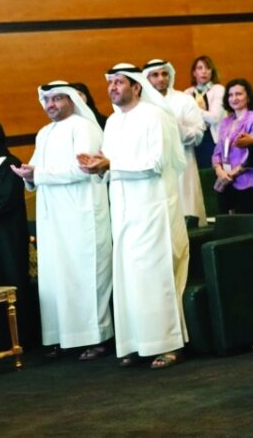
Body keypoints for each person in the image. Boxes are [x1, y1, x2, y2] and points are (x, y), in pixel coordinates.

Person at [80, 64, 189, 370]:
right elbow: (110, 167)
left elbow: (154, 164)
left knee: (156, 278)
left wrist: (109, 165)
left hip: (155, 209)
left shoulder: (156, 117)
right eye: (110, 83)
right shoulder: (113, 122)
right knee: (128, 279)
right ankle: (134, 344)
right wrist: (96, 166)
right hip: (124, 212)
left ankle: (168, 345)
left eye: (118, 82)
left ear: (137, 86)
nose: (112, 87)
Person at [10, 83, 111, 360]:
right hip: (53, 218)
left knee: (84, 276)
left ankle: (96, 338)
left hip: (82, 216)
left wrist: (38, 174)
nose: (51, 104)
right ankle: (62, 338)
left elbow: (83, 170)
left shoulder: (84, 127)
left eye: (57, 98)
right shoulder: (45, 133)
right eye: (47, 100)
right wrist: (27, 175)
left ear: (72, 100)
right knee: (56, 277)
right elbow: (37, 169)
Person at [143, 59, 208, 226]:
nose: (161, 78)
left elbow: (199, 134)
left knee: (187, 213)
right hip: (153, 169)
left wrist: (174, 126)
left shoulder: (184, 100)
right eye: (155, 75)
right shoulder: (141, 105)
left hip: (183, 166)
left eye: (164, 74)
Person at [0, 121, 29, 355]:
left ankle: (22, 338)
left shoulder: (10, 163)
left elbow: (4, 202)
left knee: (11, 280)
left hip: (7, 236)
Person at [211, 79, 253, 215]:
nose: (234, 98)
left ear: (248, 97)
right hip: (225, 180)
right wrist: (219, 170)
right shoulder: (226, 121)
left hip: (247, 181)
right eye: (230, 95)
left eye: (238, 94)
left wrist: (233, 173)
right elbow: (217, 151)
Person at [185, 55, 225, 168]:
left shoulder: (218, 89)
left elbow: (214, 118)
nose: (204, 72)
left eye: (207, 68)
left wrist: (193, 109)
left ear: (212, 71)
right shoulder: (187, 93)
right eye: (200, 68)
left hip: (213, 138)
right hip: (195, 139)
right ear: (194, 72)